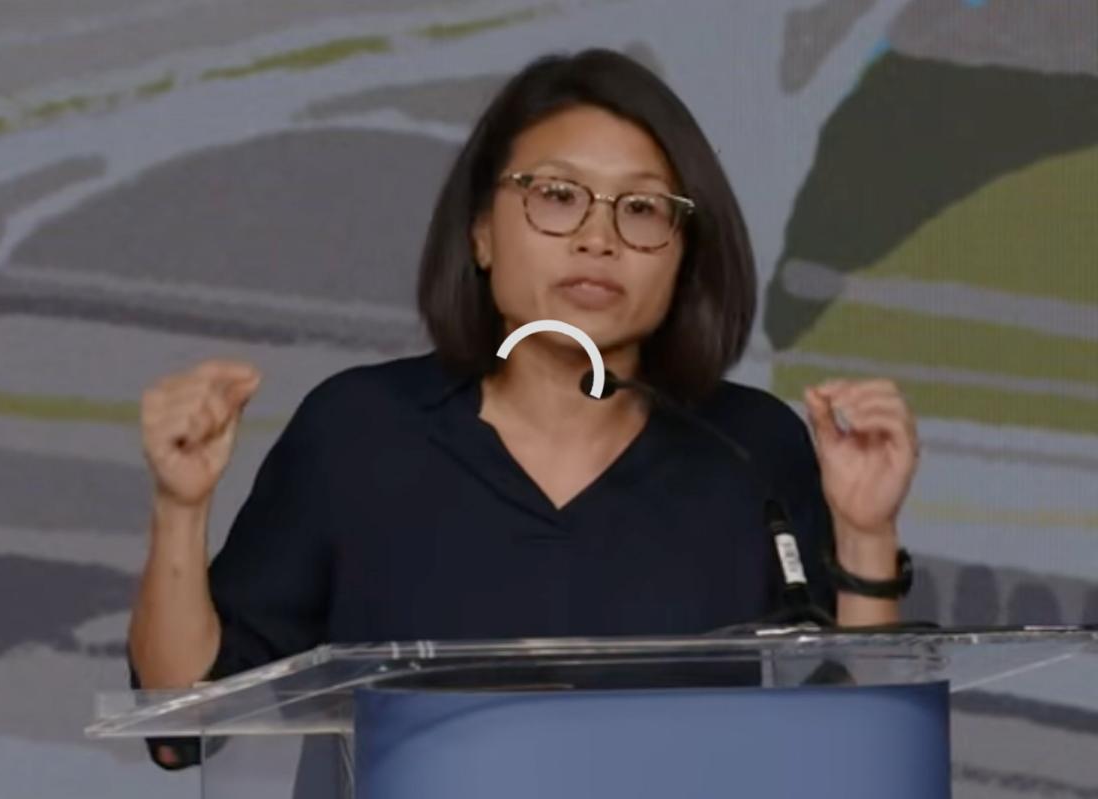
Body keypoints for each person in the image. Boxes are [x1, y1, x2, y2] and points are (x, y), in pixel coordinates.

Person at [127, 48, 920, 769]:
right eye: (558, 196)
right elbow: (180, 726)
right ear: (481, 233)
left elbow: (860, 753)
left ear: (685, 254)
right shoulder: (359, 431)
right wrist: (179, 506)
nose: (598, 238)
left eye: (642, 209)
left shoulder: (751, 449)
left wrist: (866, 534)